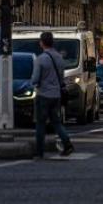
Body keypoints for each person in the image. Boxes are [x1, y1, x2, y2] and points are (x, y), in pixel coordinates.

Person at [31, 31, 74, 159]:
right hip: (56, 95)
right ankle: (67, 144)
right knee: (56, 122)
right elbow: (61, 77)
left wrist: (33, 82)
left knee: (40, 123)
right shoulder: (60, 58)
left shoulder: (41, 59)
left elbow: (35, 79)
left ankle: (39, 151)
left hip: (43, 94)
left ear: (42, 43)